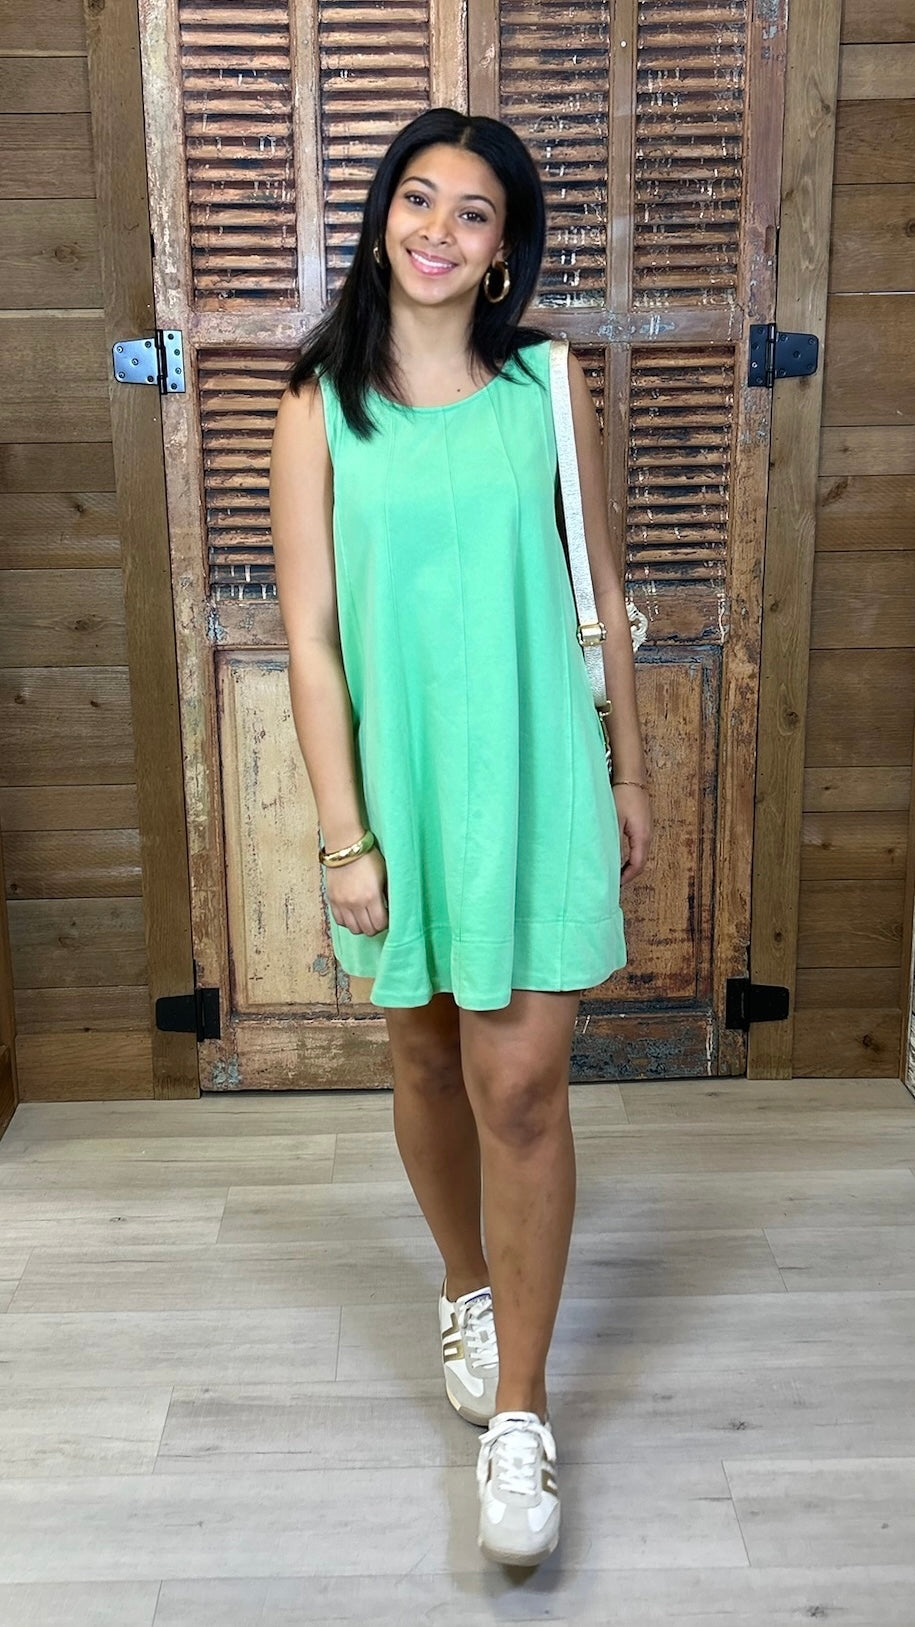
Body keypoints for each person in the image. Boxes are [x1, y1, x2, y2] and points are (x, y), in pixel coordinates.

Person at [269, 106, 651, 1569]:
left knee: (525, 1085)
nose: (439, 228)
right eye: (417, 199)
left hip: (541, 775)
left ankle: (524, 1417)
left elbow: (600, 589)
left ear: (503, 252)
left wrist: (628, 772)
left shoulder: (549, 386)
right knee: (428, 1058)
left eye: (473, 211)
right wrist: (343, 838)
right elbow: (312, 638)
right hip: (401, 793)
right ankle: (464, 1284)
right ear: (383, 222)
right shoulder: (320, 403)